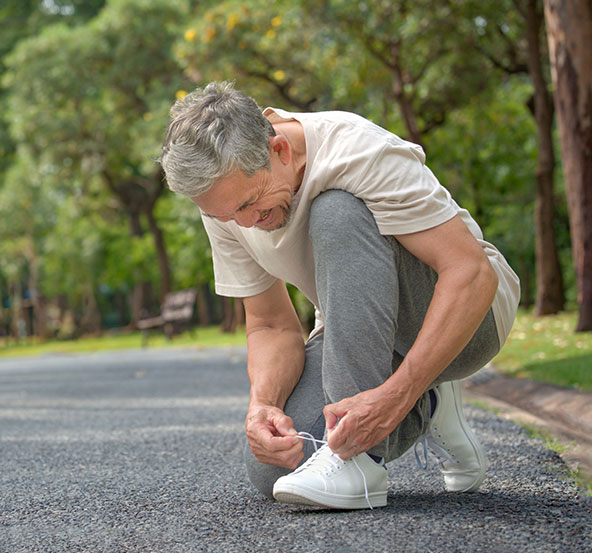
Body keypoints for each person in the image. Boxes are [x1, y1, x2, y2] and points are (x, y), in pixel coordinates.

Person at [159, 81, 520, 509]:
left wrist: (398, 393)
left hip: (469, 317)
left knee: (336, 211)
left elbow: (470, 273)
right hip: (360, 334)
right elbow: (271, 324)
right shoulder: (226, 201)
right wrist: (262, 406)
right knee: (276, 466)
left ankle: (359, 462)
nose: (246, 222)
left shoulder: (355, 149)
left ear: (279, 151)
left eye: (249, 204)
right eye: (225, 215)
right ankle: (429, 400)